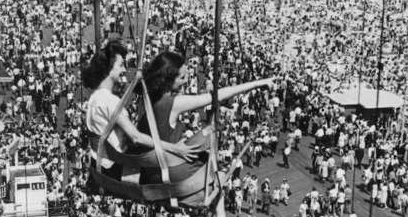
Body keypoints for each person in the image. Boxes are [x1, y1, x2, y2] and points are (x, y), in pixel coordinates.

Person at [137, 51, 270, 183]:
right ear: (169, 78)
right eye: (182, 78)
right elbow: (217, 96)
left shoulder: (147, 96)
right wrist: (258, 83)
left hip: (152, 165)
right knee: (209, 135)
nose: (185, 81)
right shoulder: (171, 103)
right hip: (167, 169)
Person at [83, 40, 198, 181]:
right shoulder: (108, 101)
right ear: (108, 69)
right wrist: (175, 148)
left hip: (107, 163)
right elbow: (136, 137)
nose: (124, 70)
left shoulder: (96, 97)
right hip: (115, 168)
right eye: (120, 65)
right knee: (174, 163)